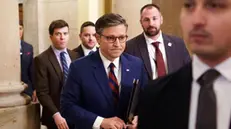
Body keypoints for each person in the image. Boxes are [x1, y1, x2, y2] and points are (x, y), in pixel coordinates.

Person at [138, 0, 231, 129]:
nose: (196, 20)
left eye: (213, 5)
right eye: (189, 6)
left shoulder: (176, 44)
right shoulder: (155, 96)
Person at [61, 13, 147, 129]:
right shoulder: (79, 67)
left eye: (122, 38)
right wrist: (100, 122)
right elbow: (67, 107)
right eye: (111, 38)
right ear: (98, 38)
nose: (117, 44)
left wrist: (139, 117)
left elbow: (146, 99)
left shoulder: (136, 64)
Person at [125, 4, 191, 81]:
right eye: (146, 20)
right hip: (146, 92)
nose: (151, 24)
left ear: (161, 20)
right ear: (141, 22)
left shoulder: (178, 44)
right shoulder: (130, 47)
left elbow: (189, 72)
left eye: (154, 18)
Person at [34, 19, 79, 129]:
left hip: (76, 114)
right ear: (51, 36)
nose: (62, 37)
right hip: (56, 117)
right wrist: (56, 114)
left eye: (65, 33)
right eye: (58, 34)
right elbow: (42, 92)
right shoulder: (42, 59)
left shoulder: (76, 56)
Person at [19, 21, 36, 102]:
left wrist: (34, 89)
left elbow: (31, 70)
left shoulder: (28, 47)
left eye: (20, 28)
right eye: (16, 28)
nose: (18, 31)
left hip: (27, 89)